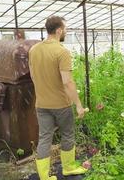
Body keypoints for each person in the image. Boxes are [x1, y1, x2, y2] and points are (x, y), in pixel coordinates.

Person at [29, 16, 88, 180]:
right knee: (67, 135)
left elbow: (33, 77)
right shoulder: (62, 52)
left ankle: (44, 176)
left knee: (44, 138)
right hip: (61, 105)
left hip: (41, 104)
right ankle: (68, 168)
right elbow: (67, 82)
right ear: (59, 30)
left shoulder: (33, 50)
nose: (66, 32)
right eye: (66, 29)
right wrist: (78, 105)